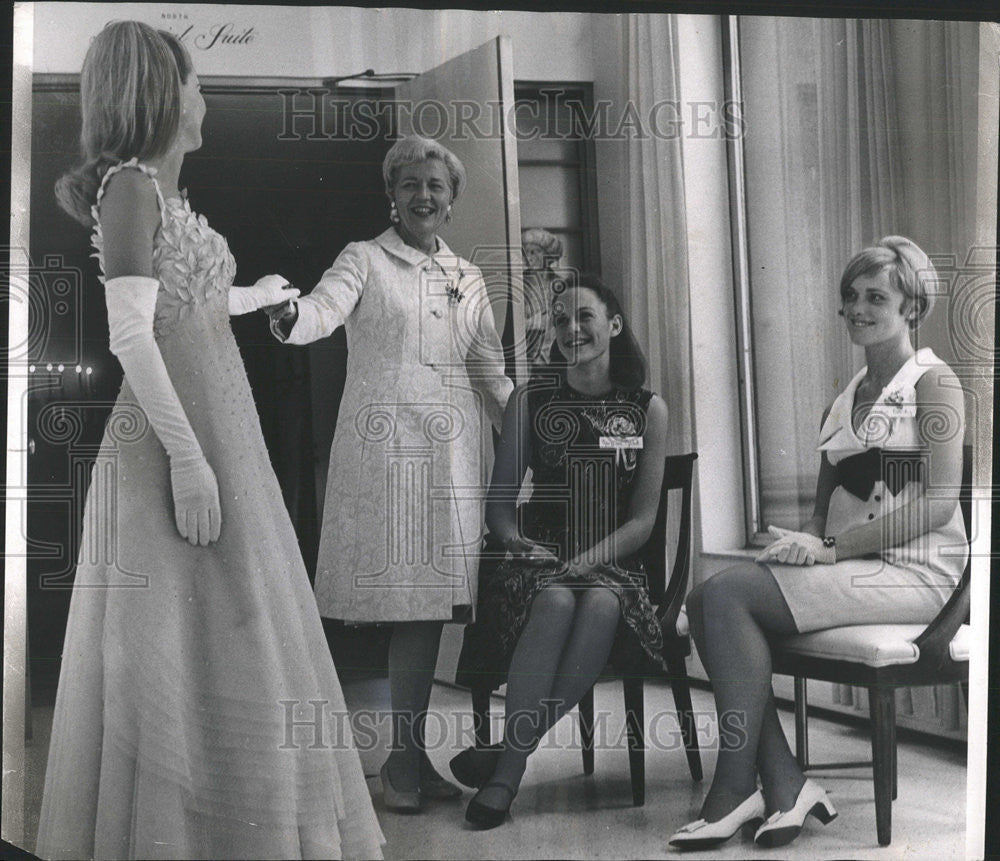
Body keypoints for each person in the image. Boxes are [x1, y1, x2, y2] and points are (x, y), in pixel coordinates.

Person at [36, 22, 384, 860]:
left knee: (240, 634)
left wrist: (248, 292)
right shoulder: (130, 188)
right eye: (193, 83)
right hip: (169, 446)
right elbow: (130, 336)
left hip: (223, 433)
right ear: (159, 93)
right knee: (178, 644)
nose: (204, 99)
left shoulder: (162, 192)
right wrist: (189, 463)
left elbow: (176, 305)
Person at [670, 236, 967, 851]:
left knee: (721, 600)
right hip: (859, 565)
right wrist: (803, 543)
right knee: (708, 599)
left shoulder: (936, 384)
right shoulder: (846, 395)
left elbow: (938, 504)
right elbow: (821, 512)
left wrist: (831, 548)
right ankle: (783, 783)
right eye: (850, 297)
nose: (858, 308)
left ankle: (736, 786)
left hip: (921, 576)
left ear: (911, 307)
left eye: (875, 296)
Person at [268, 135, 513, 813]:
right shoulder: (365, 259)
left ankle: (410, 755)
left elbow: (490, 372)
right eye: (411, 185)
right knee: (413, 606)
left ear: (453, 198)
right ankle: (403, 760)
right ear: (392, 193)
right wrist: (290, 315)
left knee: (433, 609)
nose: (424, 196)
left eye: (436, 186)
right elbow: (320, 309)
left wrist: (536, 432)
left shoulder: (468, 275)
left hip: (454, 457)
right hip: (389, 453)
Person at [449, 273, 670, 828]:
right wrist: (514, 541)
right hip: (539, 555)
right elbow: (499, 507)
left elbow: (644, 521)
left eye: (585, 317)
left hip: (615, 561)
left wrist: (591, 559)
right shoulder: (531, 399)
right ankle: (510, 767)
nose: (573, 329)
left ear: (613, 326)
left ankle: (506, 767)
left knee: (595, 602)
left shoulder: (648, 409)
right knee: (555, 602)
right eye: (562, 319)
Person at [519, 227, 564, 368]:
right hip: (527, 349)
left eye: (534, 252)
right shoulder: (519, 283)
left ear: (547, 255)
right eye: (526, 252)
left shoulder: (559, 284)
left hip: (554, 345)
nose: (529, 257)